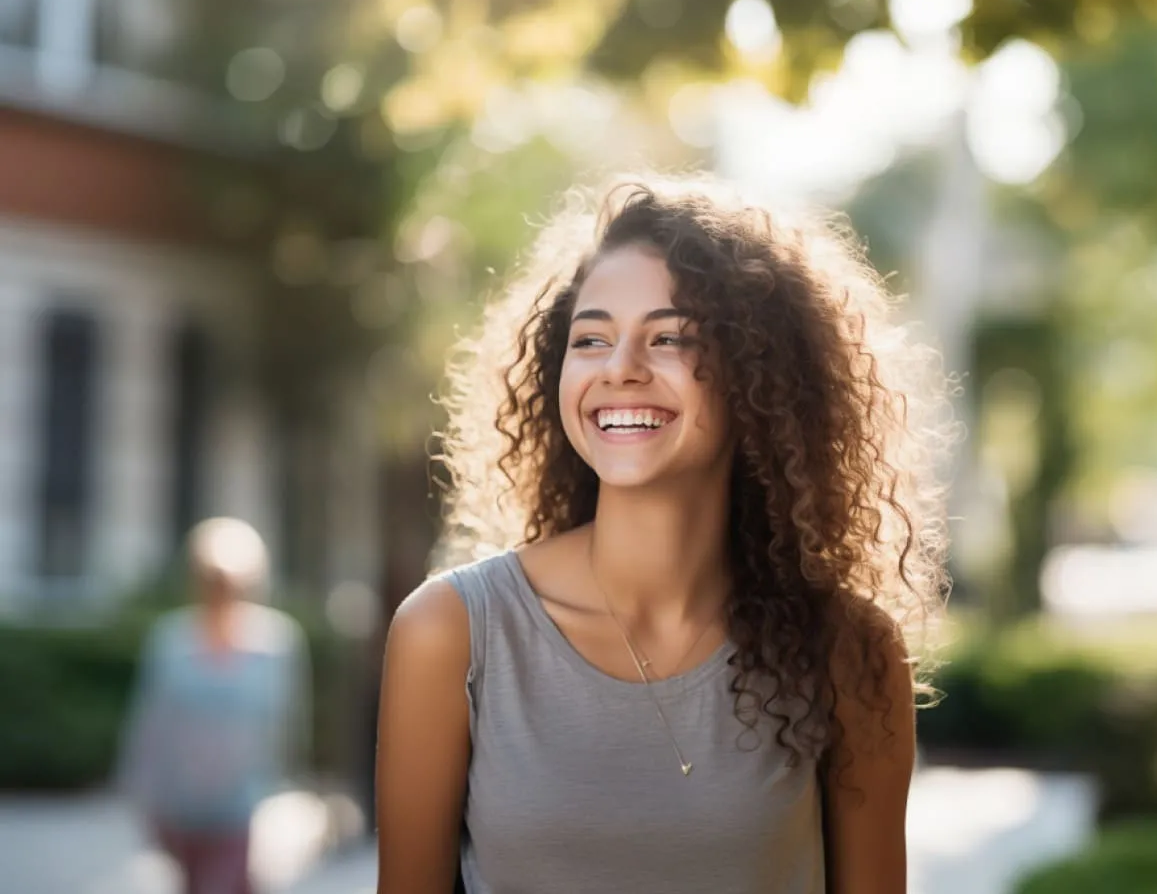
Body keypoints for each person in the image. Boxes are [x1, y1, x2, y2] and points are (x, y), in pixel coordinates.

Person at [376, 174, 951, 894]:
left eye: (671, 337)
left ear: (761, 375)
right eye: (591, 339)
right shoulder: (451, 632)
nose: (621, 369)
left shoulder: (846, 652)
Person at [118, 517, 311, 894]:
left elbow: (290, 730)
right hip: (182, 806)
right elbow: (150, 724)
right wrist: (144, 797)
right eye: (212, 581)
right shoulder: (171, 642)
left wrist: (285, 805)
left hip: (243, 808)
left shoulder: (276, 644)